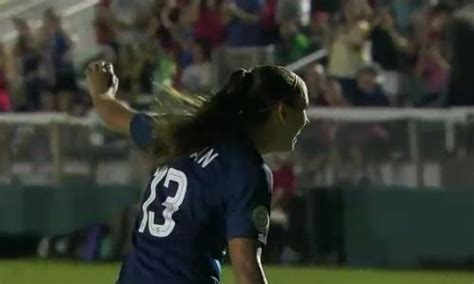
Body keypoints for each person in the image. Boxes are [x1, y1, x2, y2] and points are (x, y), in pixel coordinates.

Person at [85, 61, 309, 284]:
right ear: (283, 112)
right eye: (303, 109)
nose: (306, 120)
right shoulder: (246, 169)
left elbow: (113, 114)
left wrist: (101, 93)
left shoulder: (180, 134)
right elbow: (247, 268)